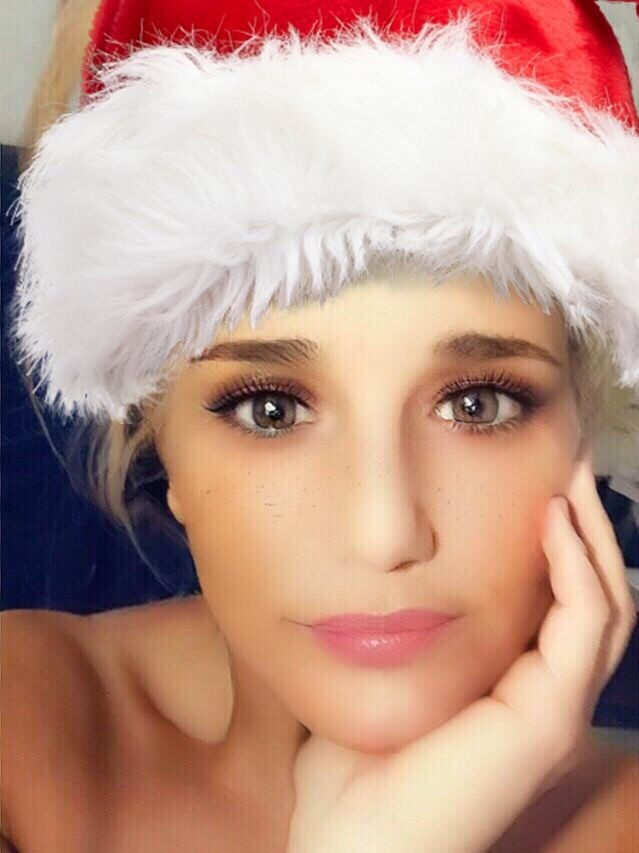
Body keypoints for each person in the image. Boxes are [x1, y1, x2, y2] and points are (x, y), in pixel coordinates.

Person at [2, 1, 639, 851]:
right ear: (162, 441)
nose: (383, 533)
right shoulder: (23, 733)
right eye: (271, 410)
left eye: (476, 404)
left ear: (576, 436)